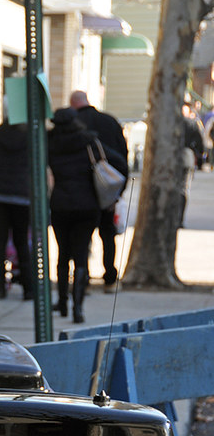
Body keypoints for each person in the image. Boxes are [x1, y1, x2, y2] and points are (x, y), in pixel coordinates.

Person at [47, 107, 127, 324]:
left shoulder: (49, 143)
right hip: (87, 205)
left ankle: (62, 302)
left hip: (61, 204)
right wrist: (115, 194)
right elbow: (119, 162)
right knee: (81, 255)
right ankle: (78, 309)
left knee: (63, 254)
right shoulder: (90, 141)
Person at [69, 90, 128, 293]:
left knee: (82, 238)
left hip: (82, 193)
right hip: (108, 191)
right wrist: (119, 191)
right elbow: (123, 155)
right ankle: (110, 278)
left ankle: (81, 280)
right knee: (108, 235)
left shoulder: (73, 125)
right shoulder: (109, 122)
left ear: (73, 104)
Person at [0, 106, 33, 300]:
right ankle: (28, 288)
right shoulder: (29, 137)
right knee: (21, 241)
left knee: (0, 240)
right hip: (21, 195)